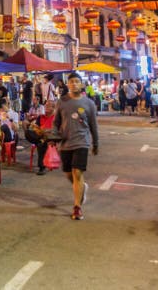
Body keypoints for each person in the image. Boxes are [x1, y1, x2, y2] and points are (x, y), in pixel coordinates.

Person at [55, 72, 99, 221]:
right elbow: (56, 122)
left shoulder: (89, 104)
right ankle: (82, 188)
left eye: (76, 81)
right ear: (68, 84)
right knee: (69, 173)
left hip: (82, 141)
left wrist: (96, 143)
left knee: (77, 172)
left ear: (81, 84)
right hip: (65, 142)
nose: (74, 84)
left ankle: (77, 207)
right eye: (71, 81)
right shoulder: (62, 102)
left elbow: (93, 125)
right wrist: (54, 137)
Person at [24, 101, 56, 176]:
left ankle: (42, 167)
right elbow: (36, 127)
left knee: (41, 144)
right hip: (40, 136)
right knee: (28, 132)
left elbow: (57, 130)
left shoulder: (56, 118)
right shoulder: (41, 117)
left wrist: (46, 130)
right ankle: (40, 141)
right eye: (45, 106)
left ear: (53, 108)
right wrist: (33, 126)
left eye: (48, 106)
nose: (46, 108)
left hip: (51, 137)